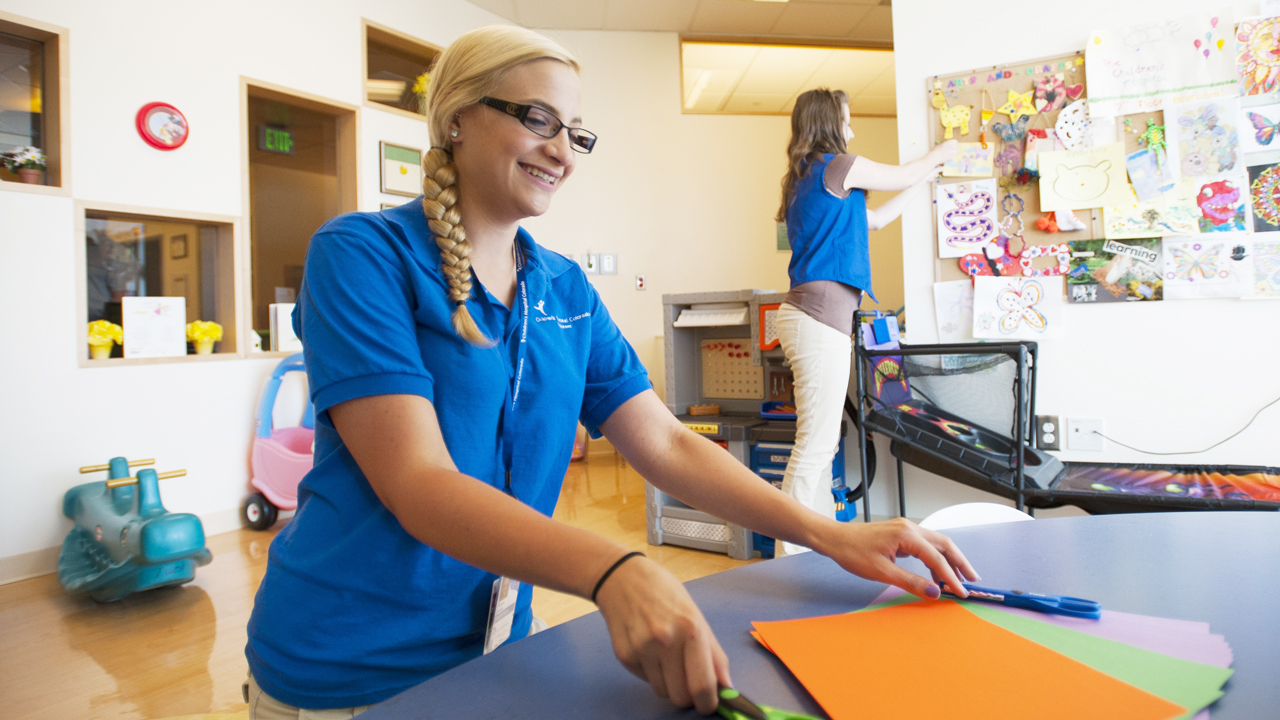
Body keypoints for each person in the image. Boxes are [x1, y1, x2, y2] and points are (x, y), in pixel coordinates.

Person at [244, 28, 976, 719]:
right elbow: (420, 484)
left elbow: (666, 443)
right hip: (346, 666)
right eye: (539, 118)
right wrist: (616, 569)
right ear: (458, 119)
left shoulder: (562, 289)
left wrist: (829, 535)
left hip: (497, 651)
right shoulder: (361, 255)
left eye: (576, 132)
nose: (562, 151)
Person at [772, 89, 957, 556]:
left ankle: (812, 548)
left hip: (813, 318)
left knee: (822, 441)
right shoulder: (837, 165)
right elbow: (902, 173)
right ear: (829, 122)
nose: (852, 131)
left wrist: (926, 181)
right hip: (817, 320)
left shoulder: (812, 178)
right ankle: (787, 556)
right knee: (815, 445)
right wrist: (943, 152)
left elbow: (876, 220)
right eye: (848, 121)